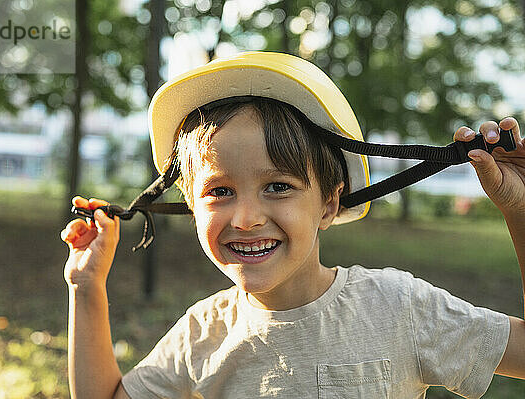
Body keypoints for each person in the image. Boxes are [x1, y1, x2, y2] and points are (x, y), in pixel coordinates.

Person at [61, 52, 525, 399]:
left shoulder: (400, 308)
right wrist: (86, 286)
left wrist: (519, 210)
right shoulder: (203, 332)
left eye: (278, 186)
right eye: (220, 191)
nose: (245, 219)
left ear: (328, 203)